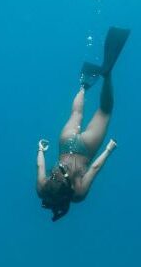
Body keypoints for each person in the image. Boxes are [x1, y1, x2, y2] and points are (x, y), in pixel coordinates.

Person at [36, 27, 130, 221]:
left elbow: (94, 168)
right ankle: (84, 85)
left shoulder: (77, 194)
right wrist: (40, 150)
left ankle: (107, 75)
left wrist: (109, 149)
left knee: (104, 111)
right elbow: (40, 166)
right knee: (76, 113)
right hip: (66, 142)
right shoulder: (42, 190)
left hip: (85, 150)